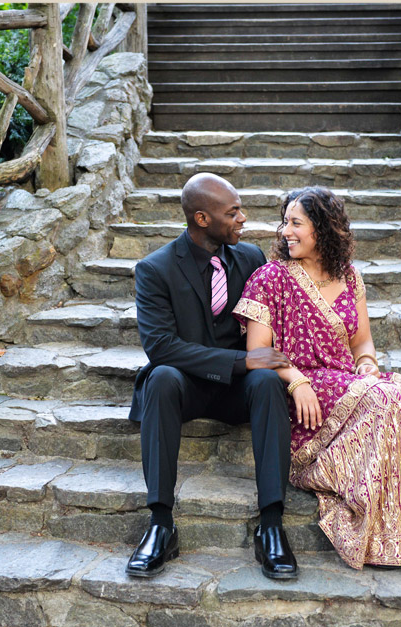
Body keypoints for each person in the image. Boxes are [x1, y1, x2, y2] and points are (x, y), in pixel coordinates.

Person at [234, 186, 401, 572]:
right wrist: (296, 380)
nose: (286, 231)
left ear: (324, 229)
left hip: (349, 384)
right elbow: (257, 352)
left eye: (296, 223)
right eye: (285, 222)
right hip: (305, 395)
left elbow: (362, 342)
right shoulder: (270, 278)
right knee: (391, 402)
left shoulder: (349, 277)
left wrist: (366, 363)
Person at [126, 172, 299, 580]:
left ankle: (271, 525)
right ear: (202, 218)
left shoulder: (252, 258)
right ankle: (160, 524)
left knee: (268, 379)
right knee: (161, 376)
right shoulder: (155, 269)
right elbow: (161, 346)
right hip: (186, 386)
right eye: (233, 212)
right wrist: (241, 361)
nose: (243, 218)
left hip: (241, 391)